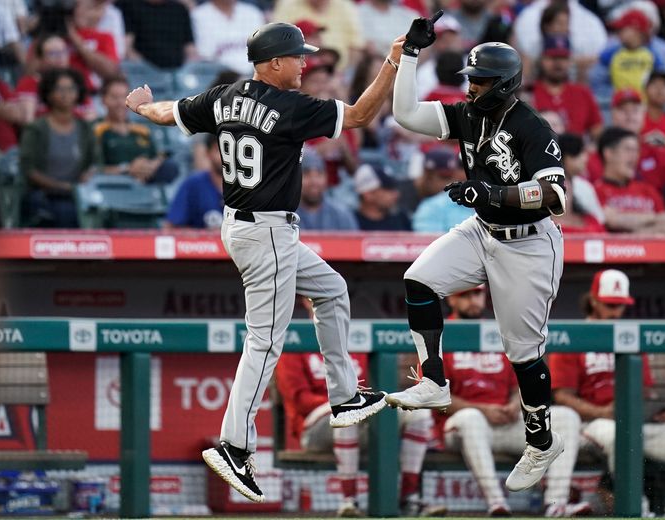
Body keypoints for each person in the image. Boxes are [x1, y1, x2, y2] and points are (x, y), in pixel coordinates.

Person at [125, 22, 404, 502]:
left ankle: (344, 396)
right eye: (298, 57)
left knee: (332, 289)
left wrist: (139, 107)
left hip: (244, 225)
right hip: (268, 231)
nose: (305, 64)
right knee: (265, 343)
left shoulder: (224, 95)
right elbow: (359, 115)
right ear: (274, 63)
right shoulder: (289, 106)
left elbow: (168, 112)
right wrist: (395, 61)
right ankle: (235, 445)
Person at [387, 12, 569, 494]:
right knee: (418, 279)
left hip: (529, 243)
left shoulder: (531, 126)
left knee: (523, 353)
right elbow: (404, 114)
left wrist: (492, 195)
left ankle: (542, 440)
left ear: (506, 85)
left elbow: (556, 197)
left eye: (482, 82)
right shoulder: (467, 114)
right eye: (470, 79)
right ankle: (434, 381)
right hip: (483, 231)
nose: (472, 88)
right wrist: (409, 53)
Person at [550, 269, 665, 518]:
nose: (616, 312)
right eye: (609, 305)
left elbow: (646, 390)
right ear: (594, 301)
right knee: (621, 433)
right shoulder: (575, 336)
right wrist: (602, 411)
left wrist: (663, 409)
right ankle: (640, 512)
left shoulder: (631, 336)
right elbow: (561, 396)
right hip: (594, 424)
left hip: (637, 422)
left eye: (620, 306)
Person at [437, 285, 590, 517]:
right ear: (451, 300)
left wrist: (513, 403)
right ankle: (497, 504)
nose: (472, 300)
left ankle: (556, 503)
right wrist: (483, 409)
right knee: (472, 418)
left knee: (565, 417)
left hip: (504, 422)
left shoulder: (499, 332)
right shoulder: (440, 335)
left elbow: (517, 384)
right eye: (464, 295)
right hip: (460, 427)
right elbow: (436, 396)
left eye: (476, 294)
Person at [276, 348, 440, 517]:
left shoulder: (356, 344)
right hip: (313, 428)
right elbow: (300, 400)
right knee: (349, 412)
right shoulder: (297, 346)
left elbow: (374, 389)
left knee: (418, 413)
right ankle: (349, 501)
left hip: (358, 420)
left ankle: (409, 498)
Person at [20, 68, 95, 228]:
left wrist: (89, 174)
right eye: (59, 89)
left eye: (70, 89)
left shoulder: (85, 128)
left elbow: (96, 162)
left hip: (78, 194)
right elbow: (28, 169)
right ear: (48, 93)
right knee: (66, 213)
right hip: (44, 195)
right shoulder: (36, 128)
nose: (66, 94)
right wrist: (60, 187)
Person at [94, 76, 178, 184]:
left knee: (170, 167)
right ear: (103, 100)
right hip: (114, 186)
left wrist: (149, 166)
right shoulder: (96, 130)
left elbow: (157, 157)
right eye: (114, 97)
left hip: (145, 183)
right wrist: (128, 169)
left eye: (124, 97)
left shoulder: (142, 130)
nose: (120, 103)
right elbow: (93, 169)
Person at [593, 126, 665, 234]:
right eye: (628, 150)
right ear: (608, 153)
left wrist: (632, 231)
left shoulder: (648, 190)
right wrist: (653, 217)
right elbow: (610, 221)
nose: (634, 156)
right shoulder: (595, 191)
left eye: (636, 151)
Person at [163, 135, 223, 229]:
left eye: (228, 150)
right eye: (218, 150)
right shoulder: (193, 184)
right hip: (201, 243)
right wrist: (202, 238)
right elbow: (170, 227)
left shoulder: (247, 186)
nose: (225, 156)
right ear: (207, 153)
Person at [297, 146, 359, 231]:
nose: (314, 181)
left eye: (319, 174)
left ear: (326, 177)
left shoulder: (342, 214)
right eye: (307, 174)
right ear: (296, 178)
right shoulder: (285, 216)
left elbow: (354, 243)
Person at [354, 162, 411, 231]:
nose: (396, 194)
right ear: (368, 194)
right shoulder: (350, 222)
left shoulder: (401, 218)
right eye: (388, 189)